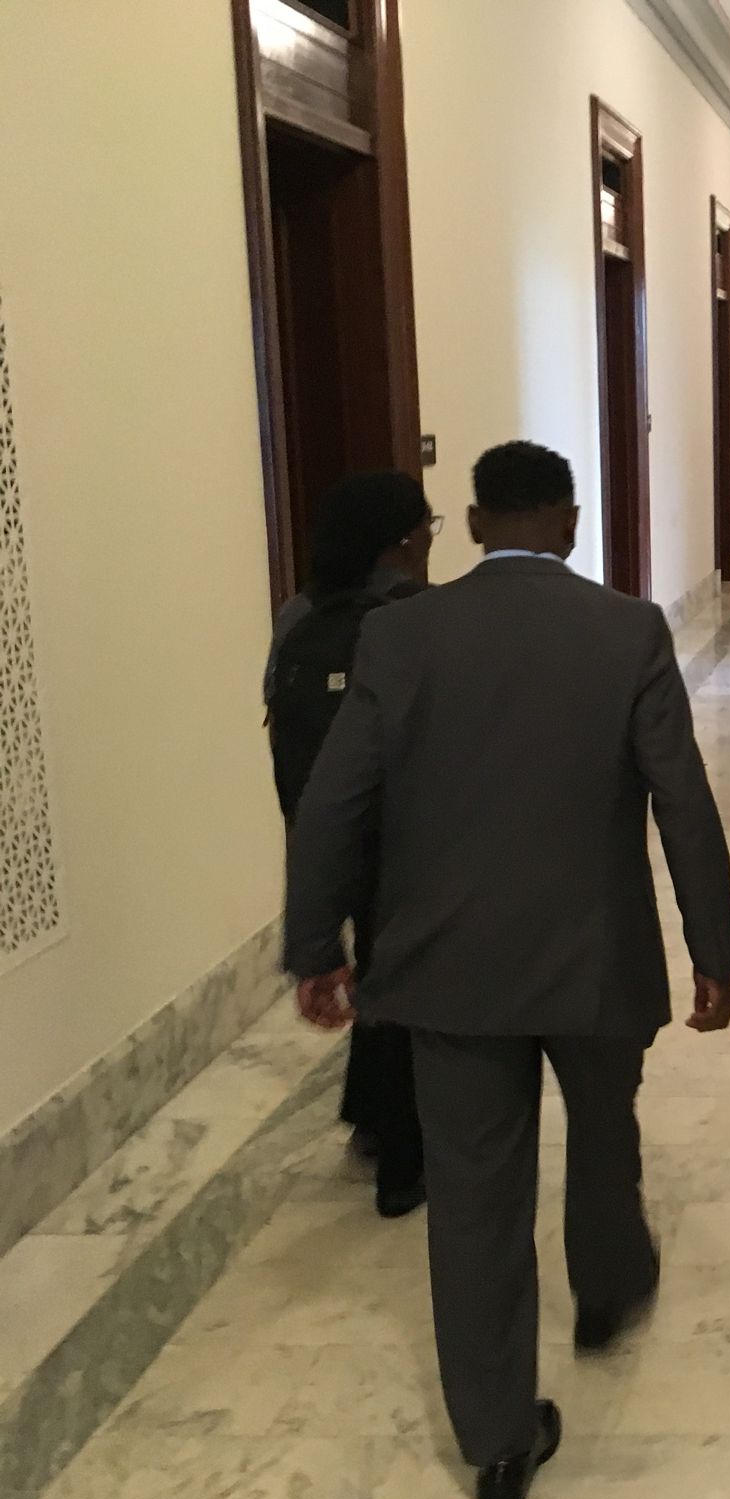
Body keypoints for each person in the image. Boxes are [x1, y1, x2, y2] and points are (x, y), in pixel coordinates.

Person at [285, 441, 730, 1499]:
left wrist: (317, 947)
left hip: (447, 974)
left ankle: (496, 1443)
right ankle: (608, 1286)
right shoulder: (626, 628)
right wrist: (712, 950)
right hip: (595, 961)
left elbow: (332, 802)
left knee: (475, 1201)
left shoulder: (399, 635)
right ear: (571, 523)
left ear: (478, 525)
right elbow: (681, 798)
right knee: (603, 1128)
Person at [264, 471, 436, 1220]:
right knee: (413, 985)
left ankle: (370, 1119)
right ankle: (405, 1163)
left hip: (326, 828)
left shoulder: (298, 613)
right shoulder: (419, 617)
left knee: (377, 959)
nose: (432, 537)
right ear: (403, 539)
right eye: (426, 525)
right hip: (411, 833)